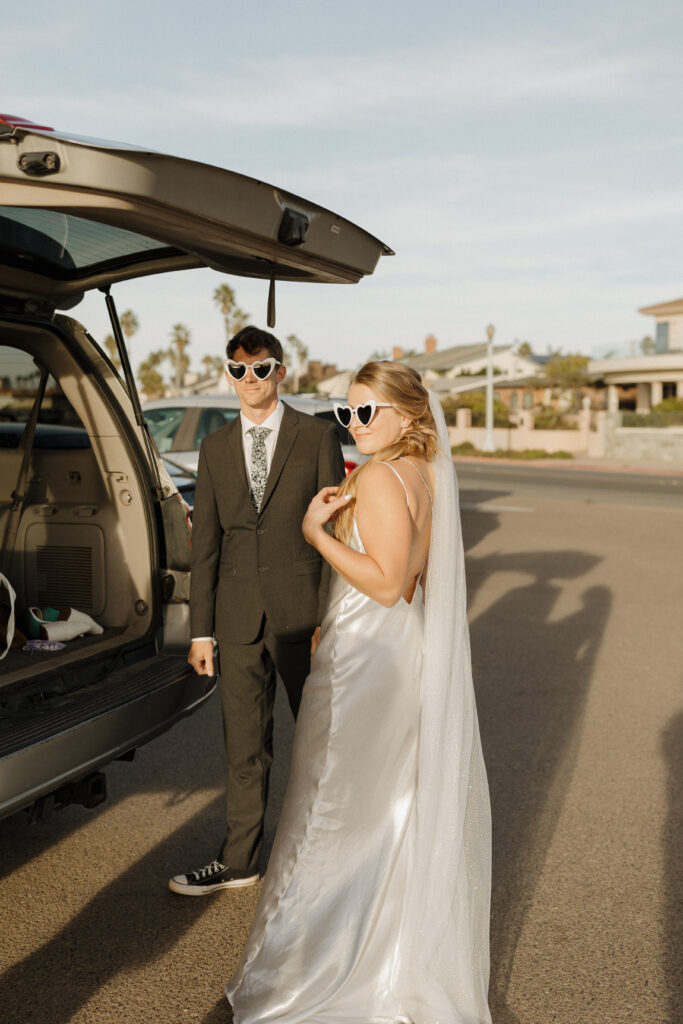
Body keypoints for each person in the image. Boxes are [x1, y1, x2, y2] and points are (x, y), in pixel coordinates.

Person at [226, 361, 492, 1023]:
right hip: (397, 655)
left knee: (328, 810)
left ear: (407, 415)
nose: (353, 425)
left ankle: (302, 974)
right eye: (346, 413)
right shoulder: (425, 474)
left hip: (365, 663)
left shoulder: (378, 476)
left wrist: (315, 535)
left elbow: (386, 583)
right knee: (384, 810)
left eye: (367, 411)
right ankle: (381, 958)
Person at [169, 326, 345, 896]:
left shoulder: (316, 437)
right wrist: (201, 634)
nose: (251, 380)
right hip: (237, 621)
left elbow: (335, 538)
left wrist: (330, 620)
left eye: (262, 369)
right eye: (240, 370)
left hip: (304, 619)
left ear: (281, 373)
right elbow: (208, 547)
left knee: (322, 744)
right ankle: (240, 862)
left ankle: (333, 862)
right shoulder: (215, 446)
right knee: (244, 749)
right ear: (229, 374)